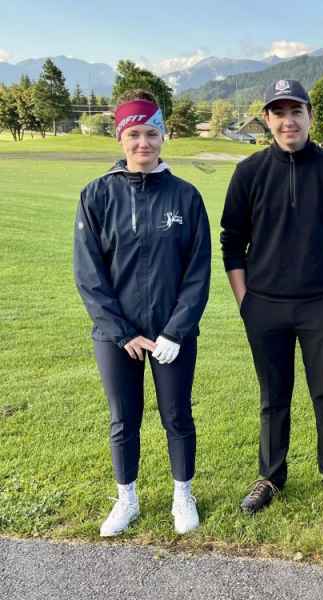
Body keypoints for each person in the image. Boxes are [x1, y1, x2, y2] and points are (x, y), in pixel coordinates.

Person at [220, 80, 323, 514]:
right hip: (264, 305)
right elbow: (231, 242)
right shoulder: (249, 172)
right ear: (267, 119)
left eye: (296, 111)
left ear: (309, 116)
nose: (289, 121)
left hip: (319, 303)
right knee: (273, 395)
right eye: (279, 113)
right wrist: (245, 301)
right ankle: (270, 476)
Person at [73, 89, 211, 537]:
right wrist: (121, 333)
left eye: (151, 133)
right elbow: (89, 275)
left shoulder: (186, 197)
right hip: (118, 337)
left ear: (163, 136)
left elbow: (197, 273)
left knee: (177, 415)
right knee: (123, 418)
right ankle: (126, 498)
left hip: (172, 334)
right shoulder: (97, 195)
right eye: (134, 134)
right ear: (120, 137)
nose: (143, 143)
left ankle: (182, 495)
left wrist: (176, 331)